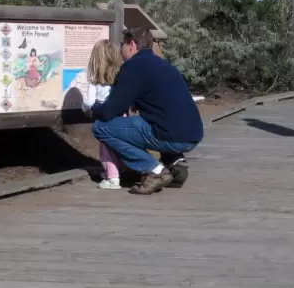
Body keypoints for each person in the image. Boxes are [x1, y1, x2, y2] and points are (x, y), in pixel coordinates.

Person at [91, 26, 203, 195]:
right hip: (193, 134)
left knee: (101, 127)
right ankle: (174, 164)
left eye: (123, 44)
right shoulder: (163, 65)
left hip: (169, 135)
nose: (121, 49)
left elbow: (110, 111)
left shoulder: (133, 66)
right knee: (153, 122)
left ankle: (154, 170)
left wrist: (93, 109)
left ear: (132, 45)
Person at [82, 40, 125, 190]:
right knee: (120, 147)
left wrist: (85, 109)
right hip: (122, 117)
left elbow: (88, 102)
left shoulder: (95, 82)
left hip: (105, 121)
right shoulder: (120, 79)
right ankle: (120, 171)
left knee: (106, 150)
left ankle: (112, 178)